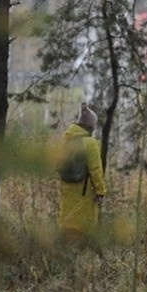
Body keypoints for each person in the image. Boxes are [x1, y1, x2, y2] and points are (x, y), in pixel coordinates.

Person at [57, 103, 108, 240]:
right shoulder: (90, 143)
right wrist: (101, 191)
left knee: (67, 224)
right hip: (83, 193)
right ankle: (81, 257)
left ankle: (65, 254)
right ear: (91, 126)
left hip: (66, 190)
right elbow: (95, 170)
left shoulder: (67, 140)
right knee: (83, 228)